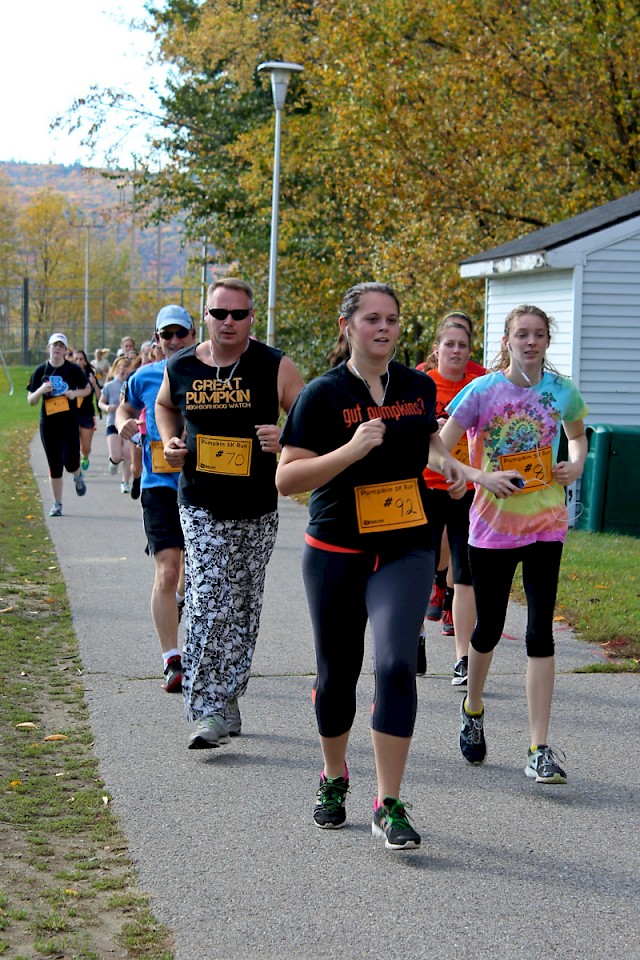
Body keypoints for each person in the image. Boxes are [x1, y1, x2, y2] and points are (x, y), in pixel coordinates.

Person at [275, 282, 467, 850]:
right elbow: (287, 479)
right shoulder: (322, 394)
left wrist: (449, 467)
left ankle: (388, 802)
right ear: (347, 326)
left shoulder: (415, 386)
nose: (383, 328)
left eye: (392, 320)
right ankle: (334, 776)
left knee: (395, 664)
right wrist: (352, 451)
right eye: (372, 319)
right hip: (336, 548)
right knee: (337, 674)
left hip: (406, 545)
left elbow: (428, 442)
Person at [439, 304, 588, 784]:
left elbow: (579, 435)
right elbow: (440, 446)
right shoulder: (481, 391)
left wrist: (577, 463)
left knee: (539, 631)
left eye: (538, 335)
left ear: (548, 341)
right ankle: (473, 707)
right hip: (492, 526)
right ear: (506, 341)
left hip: (546, 521)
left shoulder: (560, 391)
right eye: (521, 334)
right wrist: (481, 475)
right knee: (490, 627)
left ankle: (539, 748)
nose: (530, 342)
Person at [155, 277, 305, 749]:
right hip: (199, 502)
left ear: (251, 319)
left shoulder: (274, 366)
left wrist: (285, 441)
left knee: (241, 604)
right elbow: (163, 406)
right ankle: (205, 709)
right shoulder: (181, 366)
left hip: (257, 506)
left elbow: (309, 420)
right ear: (206, 315)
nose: (228, 322)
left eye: (238, 314)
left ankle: (227, 698)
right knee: (206, 598)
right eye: (219, 313)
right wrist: (172, 441)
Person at [116, 305, 197, 693]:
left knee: (192, 574)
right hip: (158, 485)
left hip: (203, 486)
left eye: (181, 333)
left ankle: (181, 603)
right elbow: (124, 408)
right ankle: (172, 660)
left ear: (193, 334)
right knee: (167, 569)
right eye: (167, 335)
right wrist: (123, 424)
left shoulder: (208, 374)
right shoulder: (144, 376)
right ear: (157, 339)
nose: (174, 341)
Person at [419, 317, 482, 683]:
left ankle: (463, 658)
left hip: (468, 490)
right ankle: (416, 637)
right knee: (422, 567)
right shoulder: (422, 385)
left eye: (462, 345)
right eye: (450, 344)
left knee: (466, 575)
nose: (456, 350)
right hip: (426, 487)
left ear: (469, 350)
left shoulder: (478, 385)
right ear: (437, 349)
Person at [27, 333, 91, 516]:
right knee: (55, 464)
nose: (57, 349)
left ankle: (78, 476)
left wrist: (75, 394)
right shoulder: (40, 371)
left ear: (65, 350)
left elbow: (87, 389)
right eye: (54, 345)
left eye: (61, 346)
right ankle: (57, 504)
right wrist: (40, 390)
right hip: (48, 424)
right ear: (49, 348)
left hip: (69, 422)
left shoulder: (73, 370)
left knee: (70, 462)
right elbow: (30, 400)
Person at [99, 356, 134, 493]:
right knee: (117, 456)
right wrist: (107, 408)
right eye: (120, 367)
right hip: (112, 423)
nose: (123, 370)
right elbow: (100, 402)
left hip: (126, 422)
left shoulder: (131, 384)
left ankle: (125, 482)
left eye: (126, 367)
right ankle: (113, 461)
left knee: (128, 454)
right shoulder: (109, 386)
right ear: (115, 369)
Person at [73, 350, 102, 471]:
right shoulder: (69, 374)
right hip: (72, 414)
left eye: (81, 359)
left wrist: (94, 384)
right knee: (73, 445)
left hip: (87, 414)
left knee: (85, 447)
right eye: (76, 359)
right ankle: (77, 468)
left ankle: (85, 456)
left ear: (85, 361)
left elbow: (100, 397)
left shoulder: (91, 375)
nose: (78, 361)